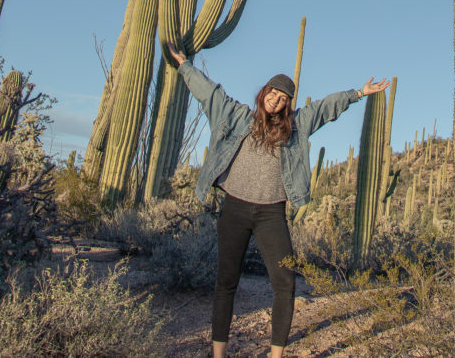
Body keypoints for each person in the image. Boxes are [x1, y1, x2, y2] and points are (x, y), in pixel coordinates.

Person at [167, 42, 389, 358]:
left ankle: (276, 355)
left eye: (284, 97)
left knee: (285, 283)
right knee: (226, 283)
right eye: (273, 92)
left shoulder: (295, 127)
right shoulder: (237, 115)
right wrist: (184, 66)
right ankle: (217, 354)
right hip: (236, 208)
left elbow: (324, 108)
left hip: (271, 213)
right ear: (264, 92)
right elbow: (209, 92)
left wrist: (358, 94)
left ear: (287, 104)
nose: (277, 99)